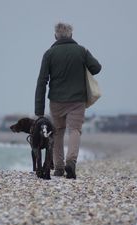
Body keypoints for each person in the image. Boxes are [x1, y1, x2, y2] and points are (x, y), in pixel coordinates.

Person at [35, 22, 101, 179]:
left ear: (55, 36)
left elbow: (42, 81)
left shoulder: (49, 54)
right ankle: (71, 162)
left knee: (57, 132)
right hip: (77, 100)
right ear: (71, 35)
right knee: (75, 130)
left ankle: (58, 167)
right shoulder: (81, 51)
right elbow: (96, 68)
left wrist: (39, 110)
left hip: (56, 100)